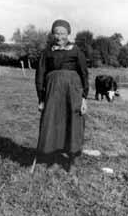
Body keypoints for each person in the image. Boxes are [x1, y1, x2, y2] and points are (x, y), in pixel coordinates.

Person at [34, 19, 89, 171]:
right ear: (52, 34)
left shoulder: (76, 51)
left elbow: (84, 74)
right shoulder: (47, 52)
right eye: (56, 33)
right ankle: (53, 159)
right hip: (52, 93)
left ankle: (72, 161)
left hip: (73, 93)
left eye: (63, 33)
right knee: (52, 122)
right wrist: (41, 99)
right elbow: (40, 75)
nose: (59, 36)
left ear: (68, 33)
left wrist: (84, 98)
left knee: (73, 123)